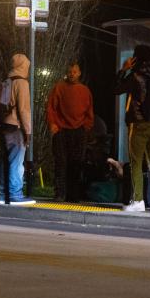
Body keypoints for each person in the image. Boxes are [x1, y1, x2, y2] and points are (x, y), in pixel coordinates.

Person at [114, 45, 150, 212]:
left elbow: (116, 89)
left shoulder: (135, 77)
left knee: (136, 162)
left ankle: (138, 201)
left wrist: (123, 70)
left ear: (137, 59)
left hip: (138, 124)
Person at [46, 61, 95, 202]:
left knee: (76, 164)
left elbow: (89, 112)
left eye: (74, 71)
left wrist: (86, 127)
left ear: (79, 73)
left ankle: (73, 195)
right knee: (61, 163)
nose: (72, 74)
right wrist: (53, 124)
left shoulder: (85, 91)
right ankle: (60, 193)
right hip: (61, 130)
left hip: (79, 131)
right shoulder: (59, 88)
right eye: (70, 71)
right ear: (67, 72)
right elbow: (51, 107)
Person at [0, 53, 36, 206]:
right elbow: (24, 109)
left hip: (3, 125)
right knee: (16, 162)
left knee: (5, 162)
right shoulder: (22, 83)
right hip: (16, 126)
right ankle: (14, 194)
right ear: (24, 66)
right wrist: (28, 131)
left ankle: (3, 194)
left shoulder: (6, 82)